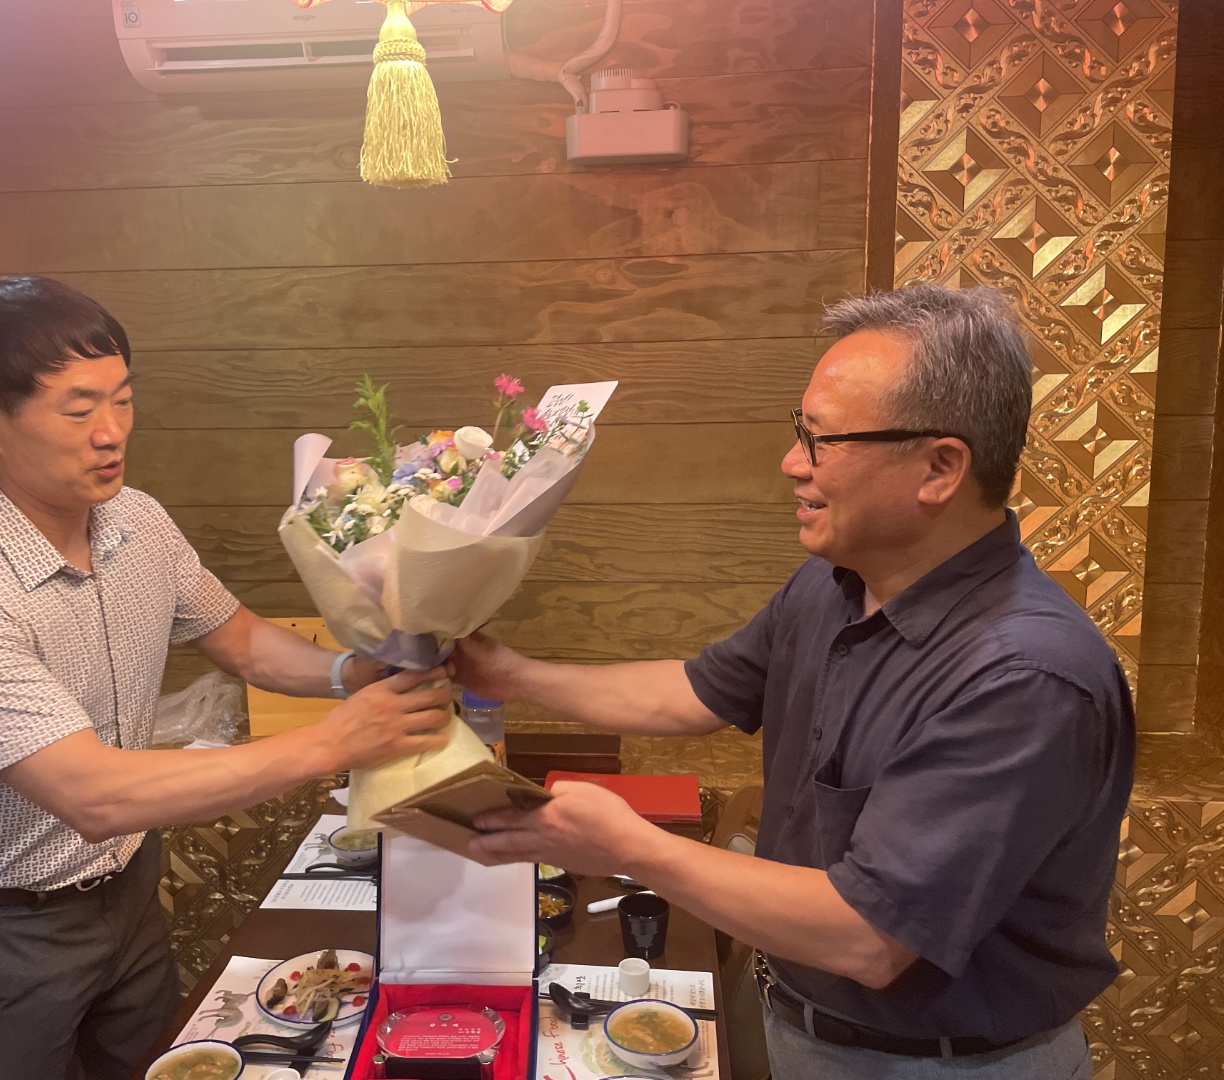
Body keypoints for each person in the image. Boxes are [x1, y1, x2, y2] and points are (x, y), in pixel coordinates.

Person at [453, 284, 1133, 1079]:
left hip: (941, 1065)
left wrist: (626, 845)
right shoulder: (832, 583)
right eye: (798, 431)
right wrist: (509, 674)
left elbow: (869, 938)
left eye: (822, 441)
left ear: (940, 468)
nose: (792, 464)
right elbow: (693, 692)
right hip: (801, 1026)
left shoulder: (1023, 674)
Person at [0, 276, 452, 1080]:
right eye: (78, 411)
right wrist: (334, 744)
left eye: (123, 400)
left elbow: (241, 641)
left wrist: (351, 672)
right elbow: (93, 795)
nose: (112, 433)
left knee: (151, 1064)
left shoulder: (137, 520)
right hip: (3, 923)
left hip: (130, 888)